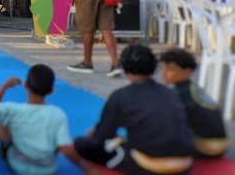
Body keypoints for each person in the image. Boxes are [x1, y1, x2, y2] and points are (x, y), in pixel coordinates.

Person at [74, 44, 194, 175]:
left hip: (151, 165)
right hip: (185, 163)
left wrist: (97, 133)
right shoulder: (170, 92)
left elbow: (103, 135)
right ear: (154, 67)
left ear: (125, 69)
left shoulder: (120, 96)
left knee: (82, 143)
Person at [0, 65, 86, 175]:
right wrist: (84, 164)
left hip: (19, 164)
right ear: (51, 91)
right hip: (47, 168)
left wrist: (4, 87)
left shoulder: (13, 109)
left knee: (0, 119)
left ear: (26, 85)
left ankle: (4, 151)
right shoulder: (58, 114)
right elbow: (65, 148)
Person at [159, 48, 229, 158]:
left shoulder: (177, 93)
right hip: (221, 143)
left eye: (171, 69)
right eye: (162, 68)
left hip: (204, 147)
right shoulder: (194, 89)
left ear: (187, 72)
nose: (164, 74)